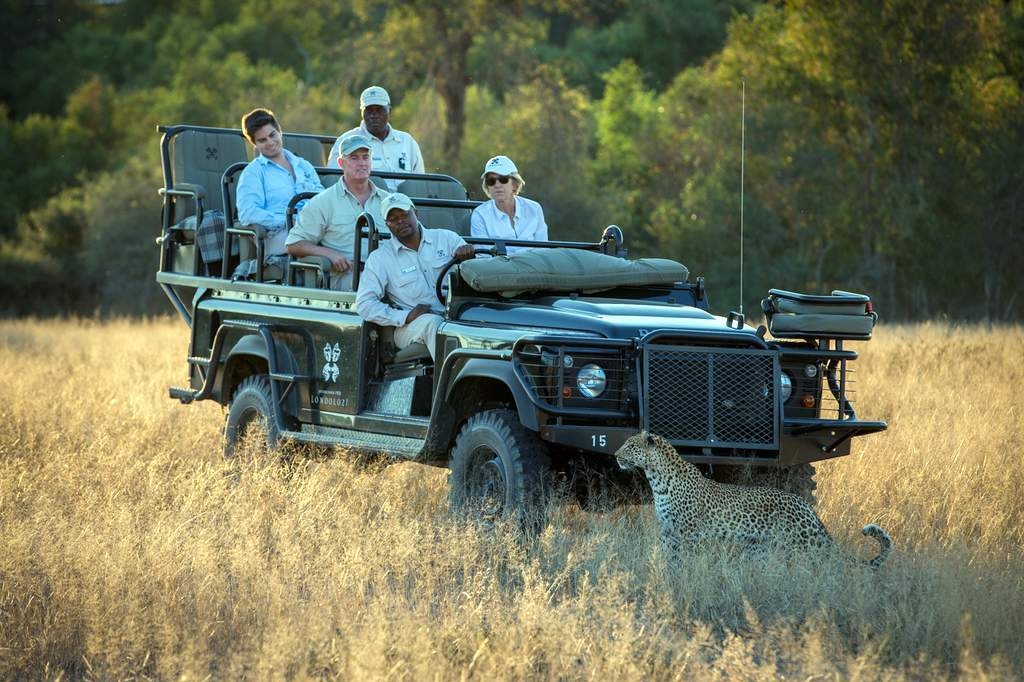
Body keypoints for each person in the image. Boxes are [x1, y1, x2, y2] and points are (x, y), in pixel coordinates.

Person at [356, 193, 475, 360]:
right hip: (410, 326)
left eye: (404, 214)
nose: (400, 221)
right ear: (387, 225)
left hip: (456, 315)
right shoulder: (380, 258)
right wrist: (404, 316)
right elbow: (364, 304)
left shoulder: (447, 238)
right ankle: (456, 384)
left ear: (416, 214)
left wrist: (469, 254)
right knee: (435, 325)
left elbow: (476, 270)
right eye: (392, 218)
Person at [285, 133, 389, 290]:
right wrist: (329, 254)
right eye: (354, 158)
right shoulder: (323, 202)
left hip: (390, 273)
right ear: (341, 163)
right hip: (350, 277)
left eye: (365, 157)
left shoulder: (388, 201)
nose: (362, 163)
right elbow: (293, 244)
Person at [236, 108, 324, 259]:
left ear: (280, 132)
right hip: (277, 236)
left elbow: (323, 199)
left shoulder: (303, 165)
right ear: (254, 144)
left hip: (313, 228)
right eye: (262, 140)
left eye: (272, 135)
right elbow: (248, 213)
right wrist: (288, 220)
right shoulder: (253, 172)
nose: (270, 142)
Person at [327, 86, 425, 190]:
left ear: (389, 111)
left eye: (379, 110)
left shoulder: (407, 141)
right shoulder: (346, 141)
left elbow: (420, 184)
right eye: (369, 110)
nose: (374, 115)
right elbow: (333, 183)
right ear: (362, 113)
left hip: (406, 204)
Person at [470, 155, 548, 252]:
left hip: (533, 266)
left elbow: (543, 251)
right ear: (487, 186)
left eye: (503, 179)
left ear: (515, 184)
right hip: (498, 267)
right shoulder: (480, 215)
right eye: (491, 181)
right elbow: (483, 257)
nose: (497, 185)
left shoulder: (534, 209)